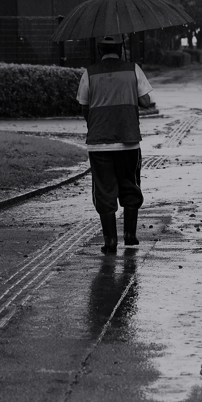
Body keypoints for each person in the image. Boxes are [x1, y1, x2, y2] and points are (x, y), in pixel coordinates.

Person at [77, 35, 154, 254]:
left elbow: (84, 105)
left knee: (104, 189)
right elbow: (146, 101)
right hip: (128, 142)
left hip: (99, 143)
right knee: (130, 184)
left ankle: (110, 241)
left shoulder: (89, 73)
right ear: (121, 49)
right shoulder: (133, 69)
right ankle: (130, 235)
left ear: (100, 49)